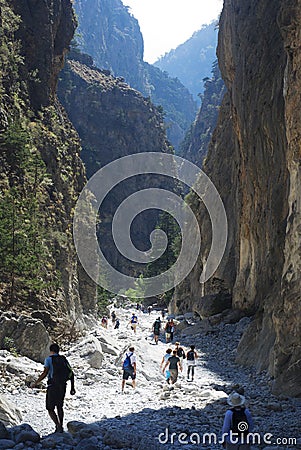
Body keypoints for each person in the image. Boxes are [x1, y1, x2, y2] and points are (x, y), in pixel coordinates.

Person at [31, 343, 75, 433]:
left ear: (51, 351)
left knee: (50, 408)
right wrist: (72, 388)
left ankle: (57, 425)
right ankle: (61, 425)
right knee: (60, 406)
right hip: (62, 385)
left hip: (52, 386)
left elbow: (45, 373)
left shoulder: (49, 359)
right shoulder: (64, 359)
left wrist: (36, 382)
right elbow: (71, 372)